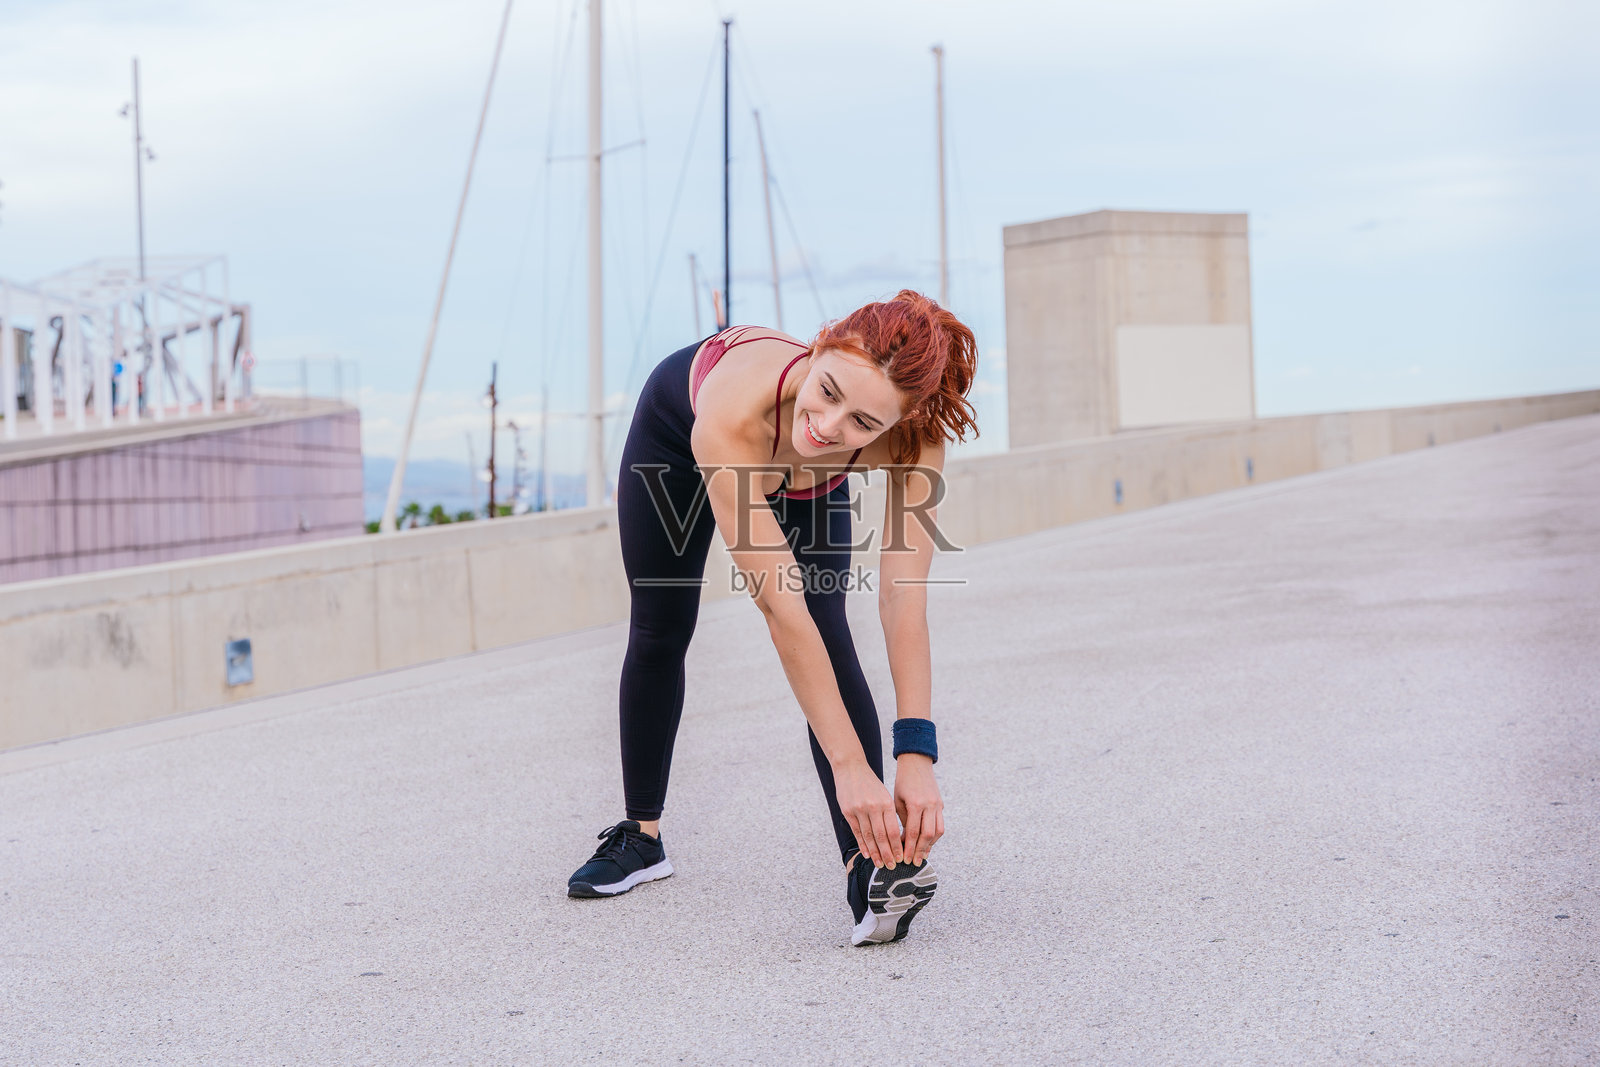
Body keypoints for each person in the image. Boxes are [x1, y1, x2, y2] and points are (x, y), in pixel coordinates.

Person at [567, 289, 979, 946]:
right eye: (829, 389)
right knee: (660, 627)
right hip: (676, 437)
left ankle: (868, 864)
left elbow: (905, 595)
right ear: (816, 347)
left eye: (863, 423)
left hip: (808, 484)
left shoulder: (916, 441)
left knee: (831, 624)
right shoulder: (731, 415)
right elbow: (778, 608)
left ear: (896, 423)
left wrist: (915, 751)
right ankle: (641, 837)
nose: (828, 424)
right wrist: (852, 766)